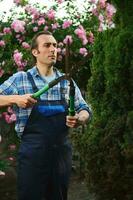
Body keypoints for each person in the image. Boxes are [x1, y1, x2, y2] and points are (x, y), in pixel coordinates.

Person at [0, 31, 92, 200]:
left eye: (55, 45)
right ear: (35, 52)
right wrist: (16, 98)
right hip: (33, 155)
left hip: (61, 156)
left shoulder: (66, 81)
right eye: (47, 45)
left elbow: (84, 108)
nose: (53, 50)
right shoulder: (21, 79)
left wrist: (80, 119)